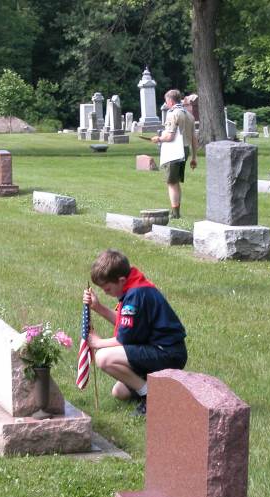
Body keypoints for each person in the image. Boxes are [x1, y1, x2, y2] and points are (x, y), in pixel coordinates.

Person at [83, 249, 187, 416]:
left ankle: (151, 398)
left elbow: (123, 340)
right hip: (156, 350)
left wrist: (97, 343)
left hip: (168, 354)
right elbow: (127, 324)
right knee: (120, 392)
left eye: (107, 288)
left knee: (103, 358)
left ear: (121, 280)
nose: (105, 292)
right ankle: (162, 390)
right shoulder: (133, 287)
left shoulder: (136, 295)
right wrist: (99, 308)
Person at [151, 89, 197, 219]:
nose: (166, 103)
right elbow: (194, 138)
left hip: (174, 151)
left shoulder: (173, 114)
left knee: (171, 182)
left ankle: (175, 213)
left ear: (170, 100)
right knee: (175, 182)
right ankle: (176, 210)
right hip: (185, 150)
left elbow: (170, 136)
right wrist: (194, 157)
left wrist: (158, 138)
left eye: (167, 101)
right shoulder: (189, 115)